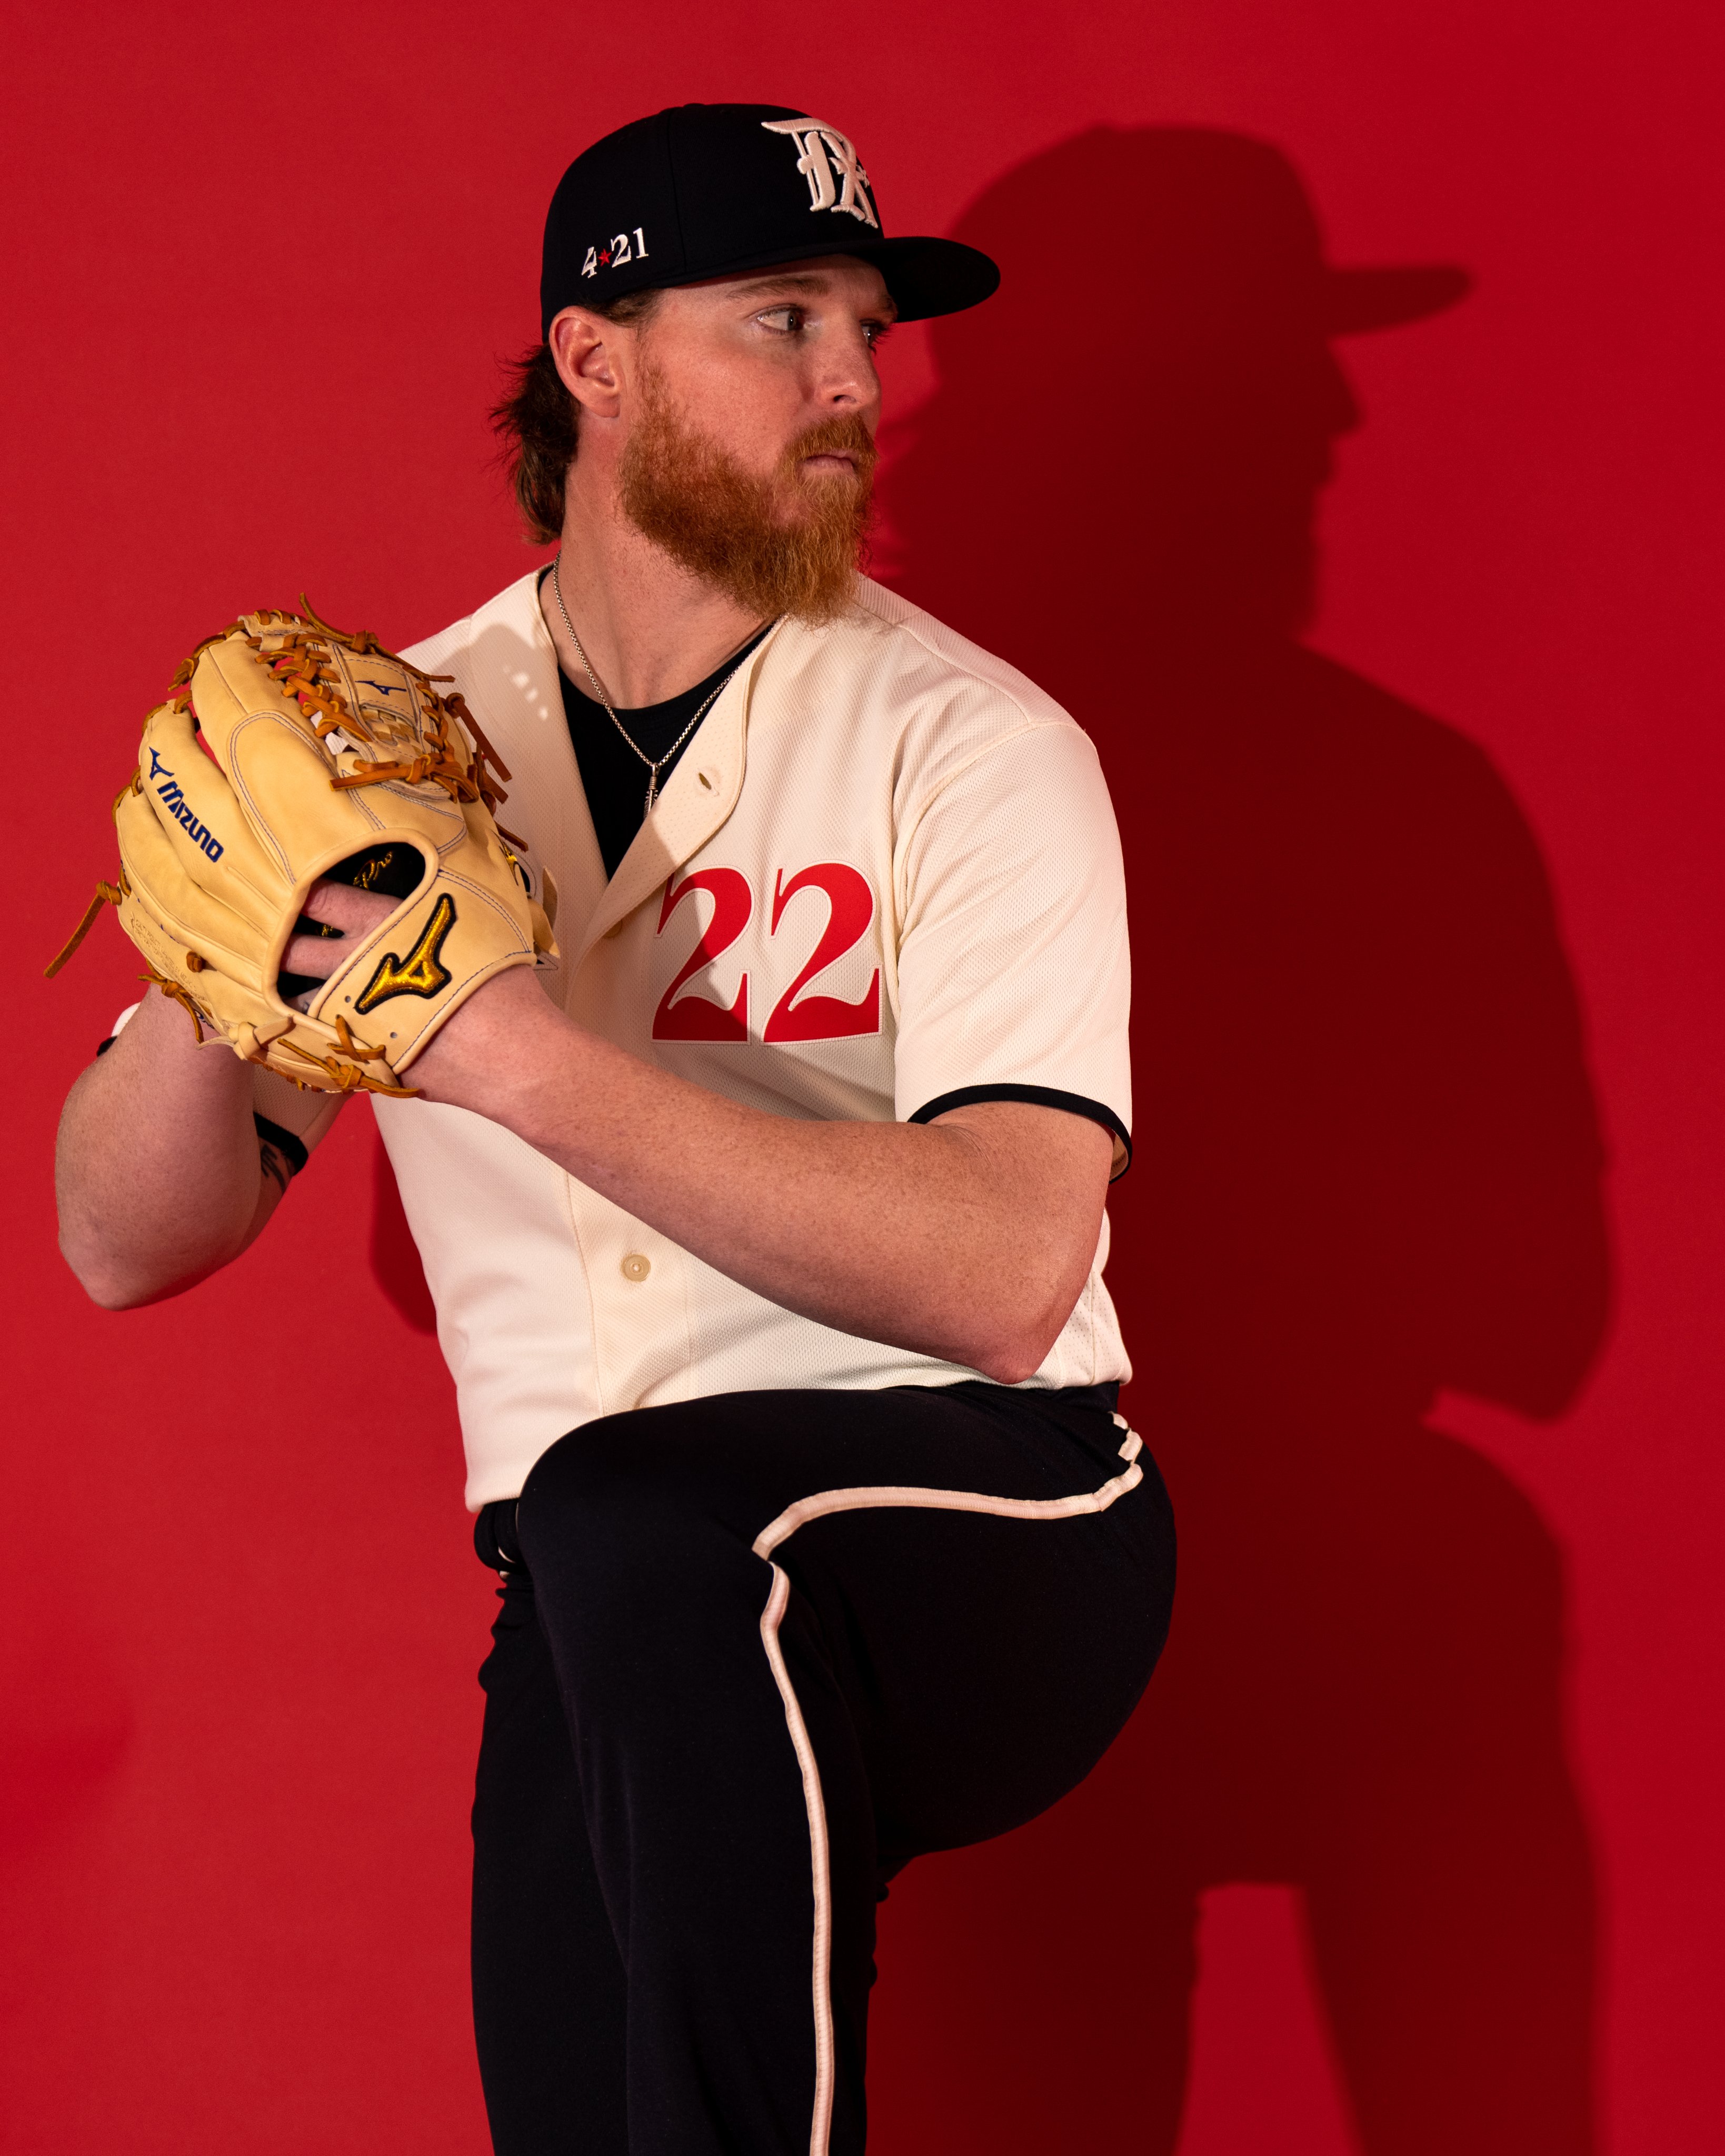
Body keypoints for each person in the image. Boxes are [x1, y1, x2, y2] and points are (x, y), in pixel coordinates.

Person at [54, 103, 1174, 2156]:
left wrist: (491, 1045)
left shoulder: (969, 742)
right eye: (781, 317)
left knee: (644, 1515)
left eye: (865, 325)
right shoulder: (393, 740)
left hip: (996, 1516)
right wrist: (205, 968)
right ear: (596, 357)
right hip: (605, 1592)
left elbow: (1010, 1276)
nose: (855, 377)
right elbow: (125, 1239)